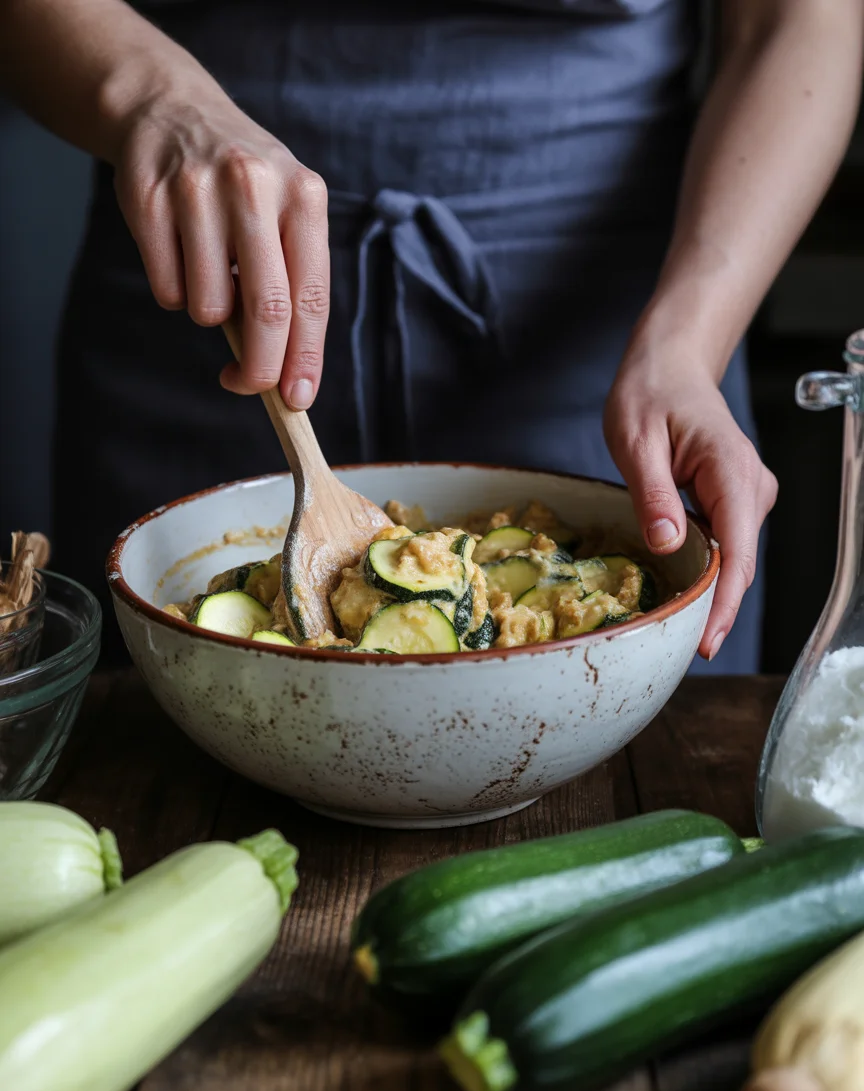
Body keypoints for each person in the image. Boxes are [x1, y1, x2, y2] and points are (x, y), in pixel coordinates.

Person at [1, 0, 861, 670]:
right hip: (195, 280)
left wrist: (688, 343)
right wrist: (150, 95)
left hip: (608, 329)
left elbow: (799, 21)